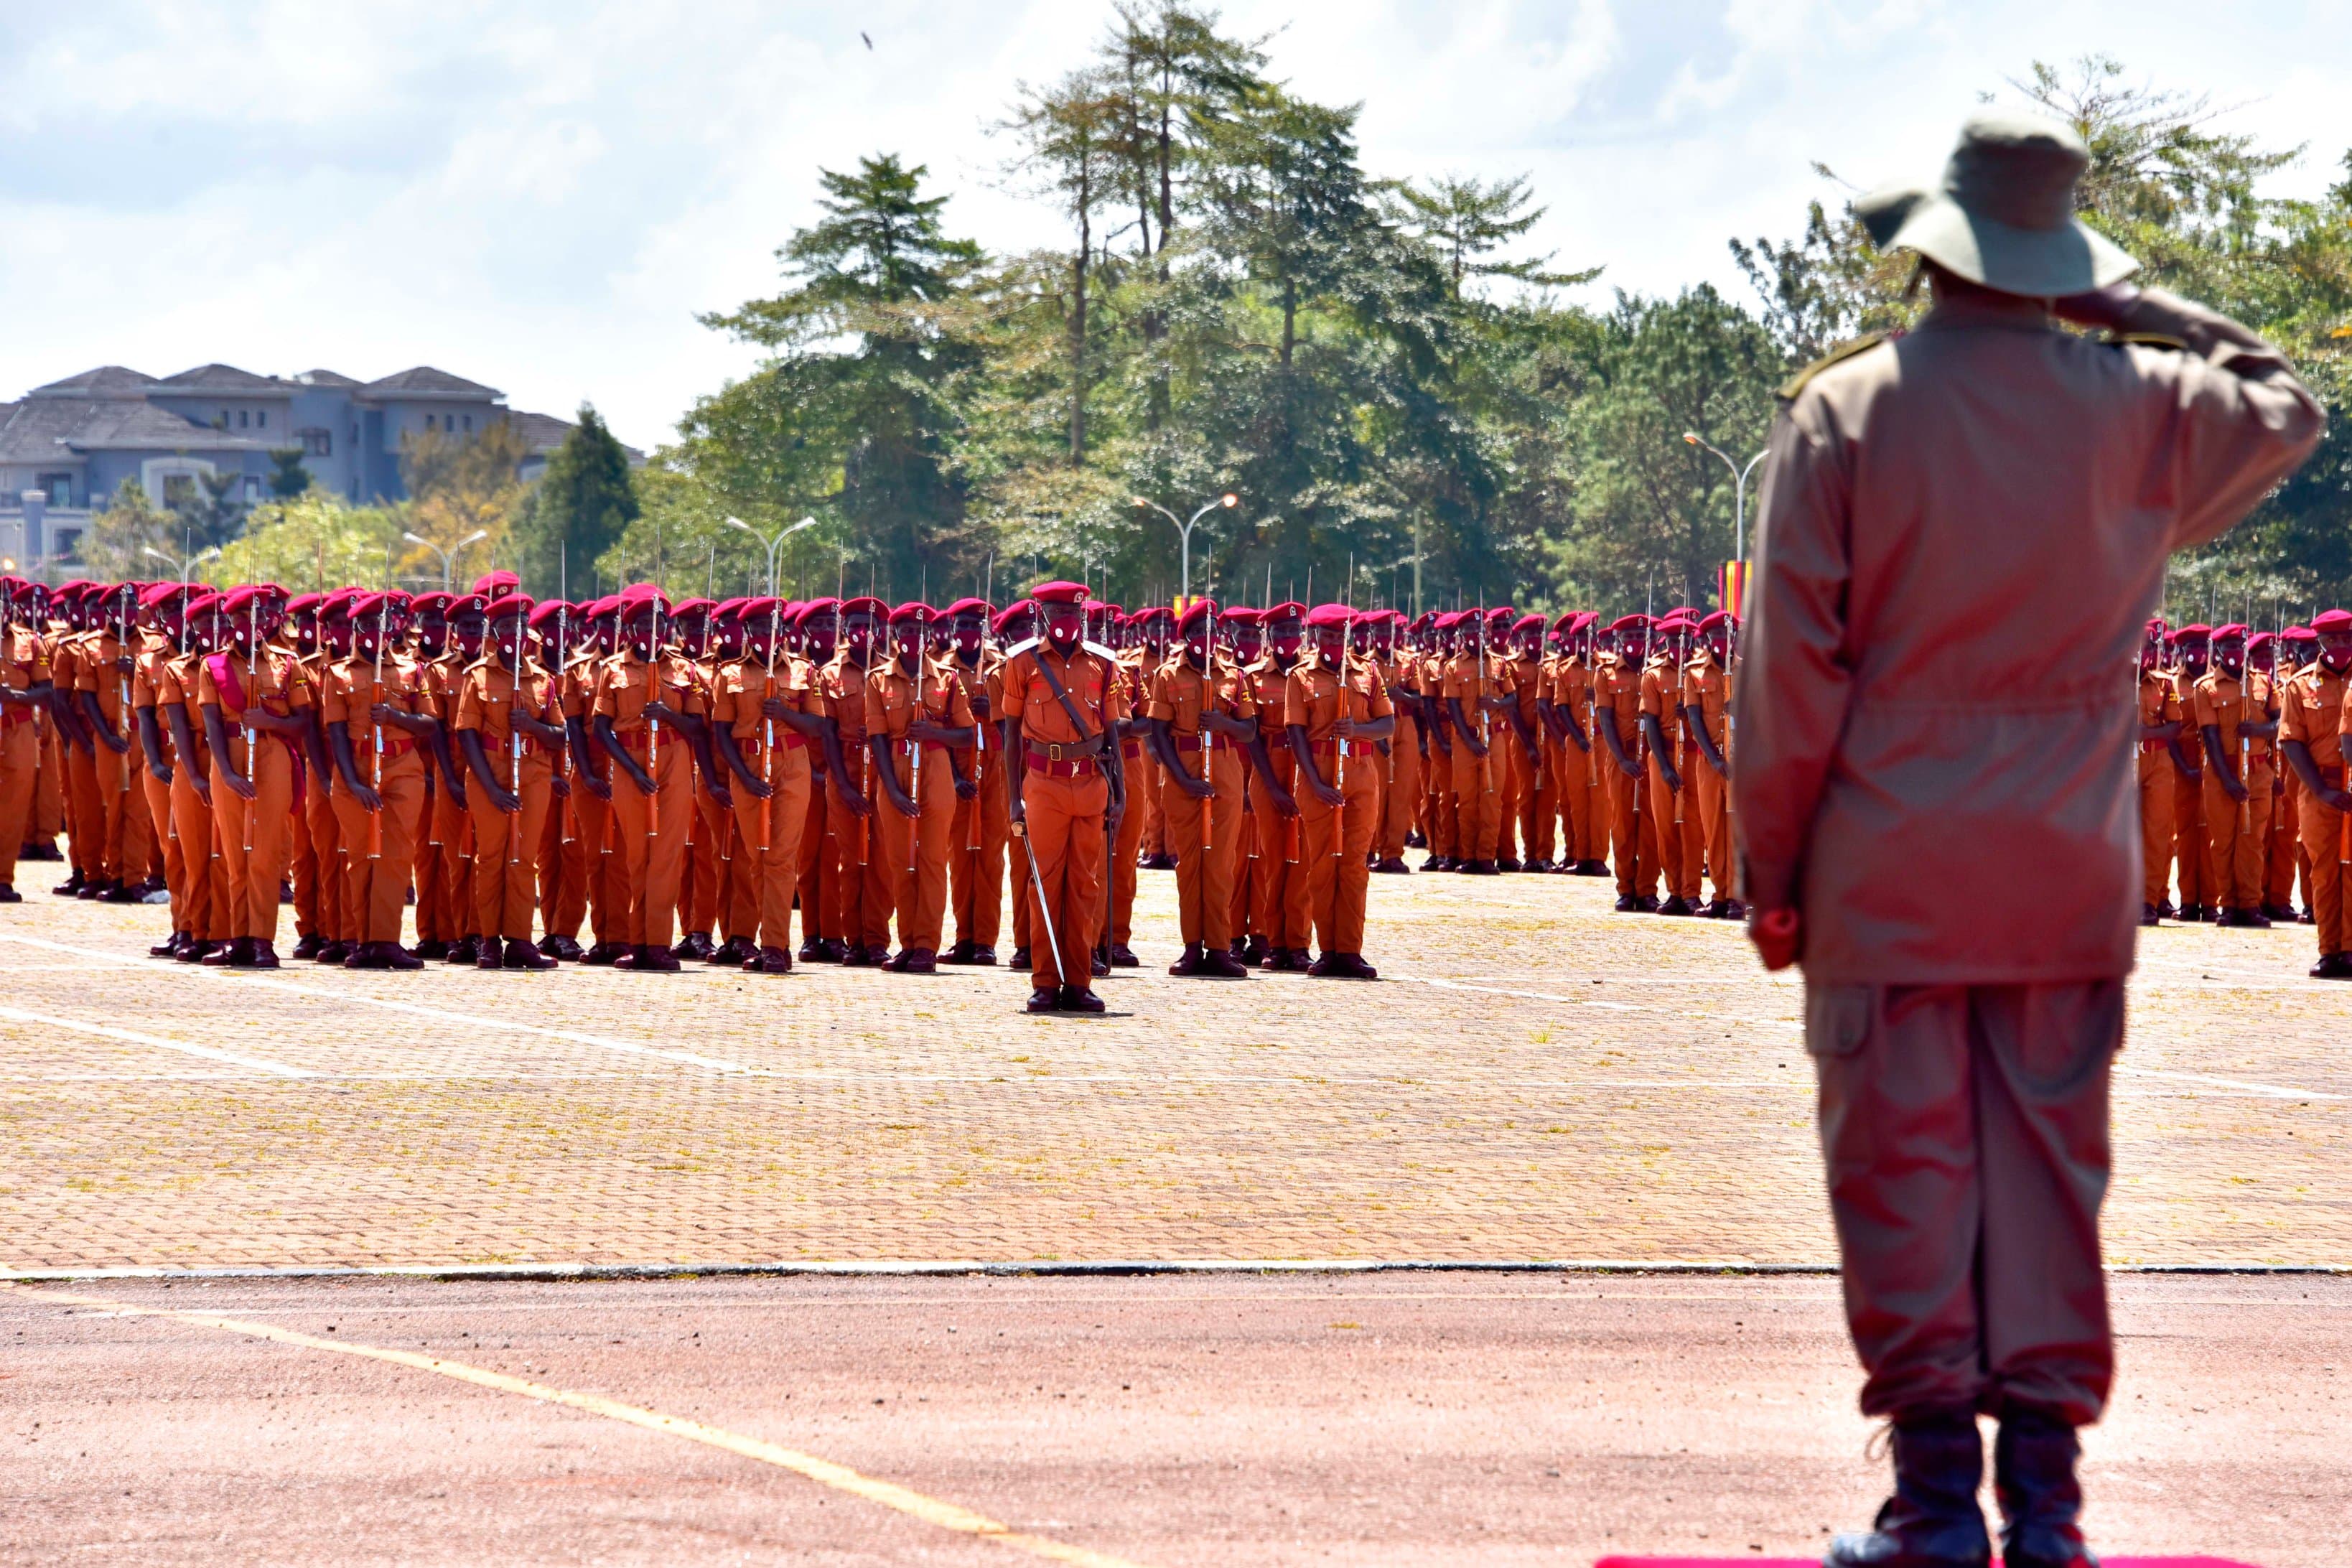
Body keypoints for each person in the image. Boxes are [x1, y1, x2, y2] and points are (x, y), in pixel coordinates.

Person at [1735, 111, 2323, 1568]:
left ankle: (1935, 1509)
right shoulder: (2139, 403)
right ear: (2059, 261)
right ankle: (2048, 1517)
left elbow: (1788, 673)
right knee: (2050, 1172)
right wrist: (2122, 306)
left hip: (1890, 849)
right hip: (2067, 852)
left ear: (1935, 246)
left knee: (1900, 1169)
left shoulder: (1848, 409)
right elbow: (2287, 399)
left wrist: (1774, 868)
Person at [1001, 581, 1125, 1013]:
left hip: (1090, 782)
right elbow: (1011, 736)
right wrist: (1013, 798)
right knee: (1044, 884)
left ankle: (1080, 982)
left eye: (1072, 612)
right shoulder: (1022, 663)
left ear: (1084, 615)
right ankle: (1045, 982)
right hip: (1044, 783)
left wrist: (1121, 793)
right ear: (1043, 617)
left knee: (1084, 885)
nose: (1064, 621)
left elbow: (1111, 733)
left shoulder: (1104, 665)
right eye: (1055, 613)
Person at [199, 584, 312, 969]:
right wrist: (226, 772)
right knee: (235, 854)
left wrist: (271, 721)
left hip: (271, 754)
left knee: (263, 853)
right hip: (229, 756)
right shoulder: (213, 664)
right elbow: (211, 722)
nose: (252, 623)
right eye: (243, 617)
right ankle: (238, 937)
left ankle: (262, 938)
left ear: (271, 620)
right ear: (230, 621)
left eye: (260, 616)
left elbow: (303, 722)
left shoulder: (287, 662)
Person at [1147, 597, 1256, 977]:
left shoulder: (1234, 676)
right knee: (1190, 863)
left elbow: (1249, 729)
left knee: (1221, 863)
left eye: (1210, 632)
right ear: (1187, 636)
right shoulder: (1167, 674)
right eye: (1196, 632)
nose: (1204, 639)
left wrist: (1222, 724)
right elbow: (1158, 733)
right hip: (1183, 770)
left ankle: (1220, 947)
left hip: (1224, 768)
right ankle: (1192, 946)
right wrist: (1181, 778)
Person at [455, 594, 564, 970]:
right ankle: (488, 941)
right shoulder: (478, 676)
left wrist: (532, 725)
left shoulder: (543, 680)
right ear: (495, 633)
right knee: (491, 858)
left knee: (522, 858)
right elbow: (466, 734)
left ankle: (519, 939)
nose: (514, 634)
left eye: (520, 627)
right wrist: (492, 788)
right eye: (506, 628)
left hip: (532, 773)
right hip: (490, 773)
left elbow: (559, 735)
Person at [324, 591, 431, 970]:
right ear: (356, 629)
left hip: (402, 768)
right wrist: (352, 782)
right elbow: (335, 731)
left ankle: (386, 941)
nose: (377, 632)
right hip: (356, 769)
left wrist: (395, 718)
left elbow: (429, 723)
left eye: (384, 625)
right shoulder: (338, 673)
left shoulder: (413, 671)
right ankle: (362, 940)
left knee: (396, 855)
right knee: (361, 857)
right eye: (369, 625)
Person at [1285, 603, 1394, 977]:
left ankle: (1350, 949)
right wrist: (1314, 782)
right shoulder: (1301, 677)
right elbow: (1296, 733)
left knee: (1353, 865)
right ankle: (1327, 949)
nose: (1333, 642)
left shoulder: (1368, 672)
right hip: (1320, 775)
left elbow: (1387, 724)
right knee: (1322, 866)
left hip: (1361, 776)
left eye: (1339, 636)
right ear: (1316, 637)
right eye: (1327, 636)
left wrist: (1357, 731)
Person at [867, 602, 975, 973]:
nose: (914, 638)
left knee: (931, 859)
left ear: (929, 637)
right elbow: (877, 737)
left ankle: (928, 945)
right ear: (896, 637)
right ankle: (907, 943)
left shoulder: (947, 678)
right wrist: (892, 789)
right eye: (907, 632)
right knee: (901, 861)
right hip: (894, 767)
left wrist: (934, 732)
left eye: (920, 632)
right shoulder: (878, 679)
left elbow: (967, 734)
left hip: (936, 767)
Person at [2280, 610, 2352, 976]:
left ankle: (2351, 949)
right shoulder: (2300, 685)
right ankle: (2330, 951)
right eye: (2333, 639)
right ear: (2320, 642)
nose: (2341, 646)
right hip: (2319, 790)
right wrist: (2322, 790)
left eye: (2347, 638)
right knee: (2324, 872)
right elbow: (2291, 742)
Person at [2193, 624, 2279, 927]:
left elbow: (2280, 724)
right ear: (2217, 651)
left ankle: (2250, 904)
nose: (2233, 654)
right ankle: (2228, 904)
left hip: (2258, 770)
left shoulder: (2263, 683)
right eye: (2227, 647)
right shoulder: (2206, 687)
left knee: (2252, 839)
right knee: (2224, 840)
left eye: (2238, 647)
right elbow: (2210, 736)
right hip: (2222, 771)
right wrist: (2228, 779)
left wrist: (2259, 730)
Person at [941, 597, 1009, 965]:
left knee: (989, 859)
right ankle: (963, 936)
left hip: (995, 771)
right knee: (960, 858)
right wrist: (953, 777)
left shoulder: (1001, 669)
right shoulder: (942, 672)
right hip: (957, 771)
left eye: (976, 627)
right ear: (953, 630)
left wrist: (990, 711)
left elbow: (1014, 724)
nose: (969, 634)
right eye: (963, 626)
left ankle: (986, 939)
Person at [0, 577, 55, 902]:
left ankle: (3, 878)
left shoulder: (31, 642)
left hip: (17, 729)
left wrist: (17, 695)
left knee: (13, 807)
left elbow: (47, 690)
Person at [2134, 620, 2190, 926]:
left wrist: (2141, 732)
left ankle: (2147, 900)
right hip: (2120, 763)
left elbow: (2175, 726)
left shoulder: (2164, 684)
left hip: (2157, 761)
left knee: (2156, 833)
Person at [2167, 623, 2213, 920]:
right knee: (2184, 836)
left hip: (2212, 766)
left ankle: (2210, 901)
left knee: (2210, 834)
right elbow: (2170, 731)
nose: (2197, 654)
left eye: (2201, 647)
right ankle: (2188, 900)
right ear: (2182, 652)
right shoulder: (2172, 685)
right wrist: (2183, 767)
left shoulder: (2213, 683)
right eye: (2191, 648)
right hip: (2180, 767)